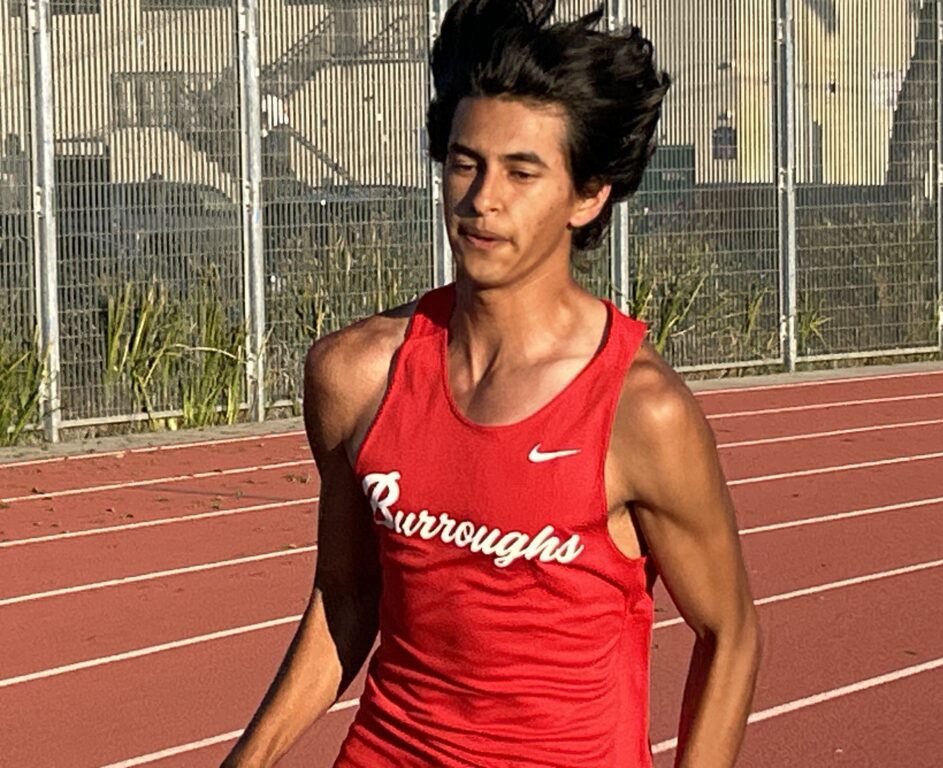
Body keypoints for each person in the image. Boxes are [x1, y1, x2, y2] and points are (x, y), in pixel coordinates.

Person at [223, 1, 760, 766]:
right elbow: (346, 596)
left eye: (521, 171)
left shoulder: (640, 412)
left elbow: (729, 633)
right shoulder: (354, 376)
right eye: (465, 162)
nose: (482, 199)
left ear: (588, 195)